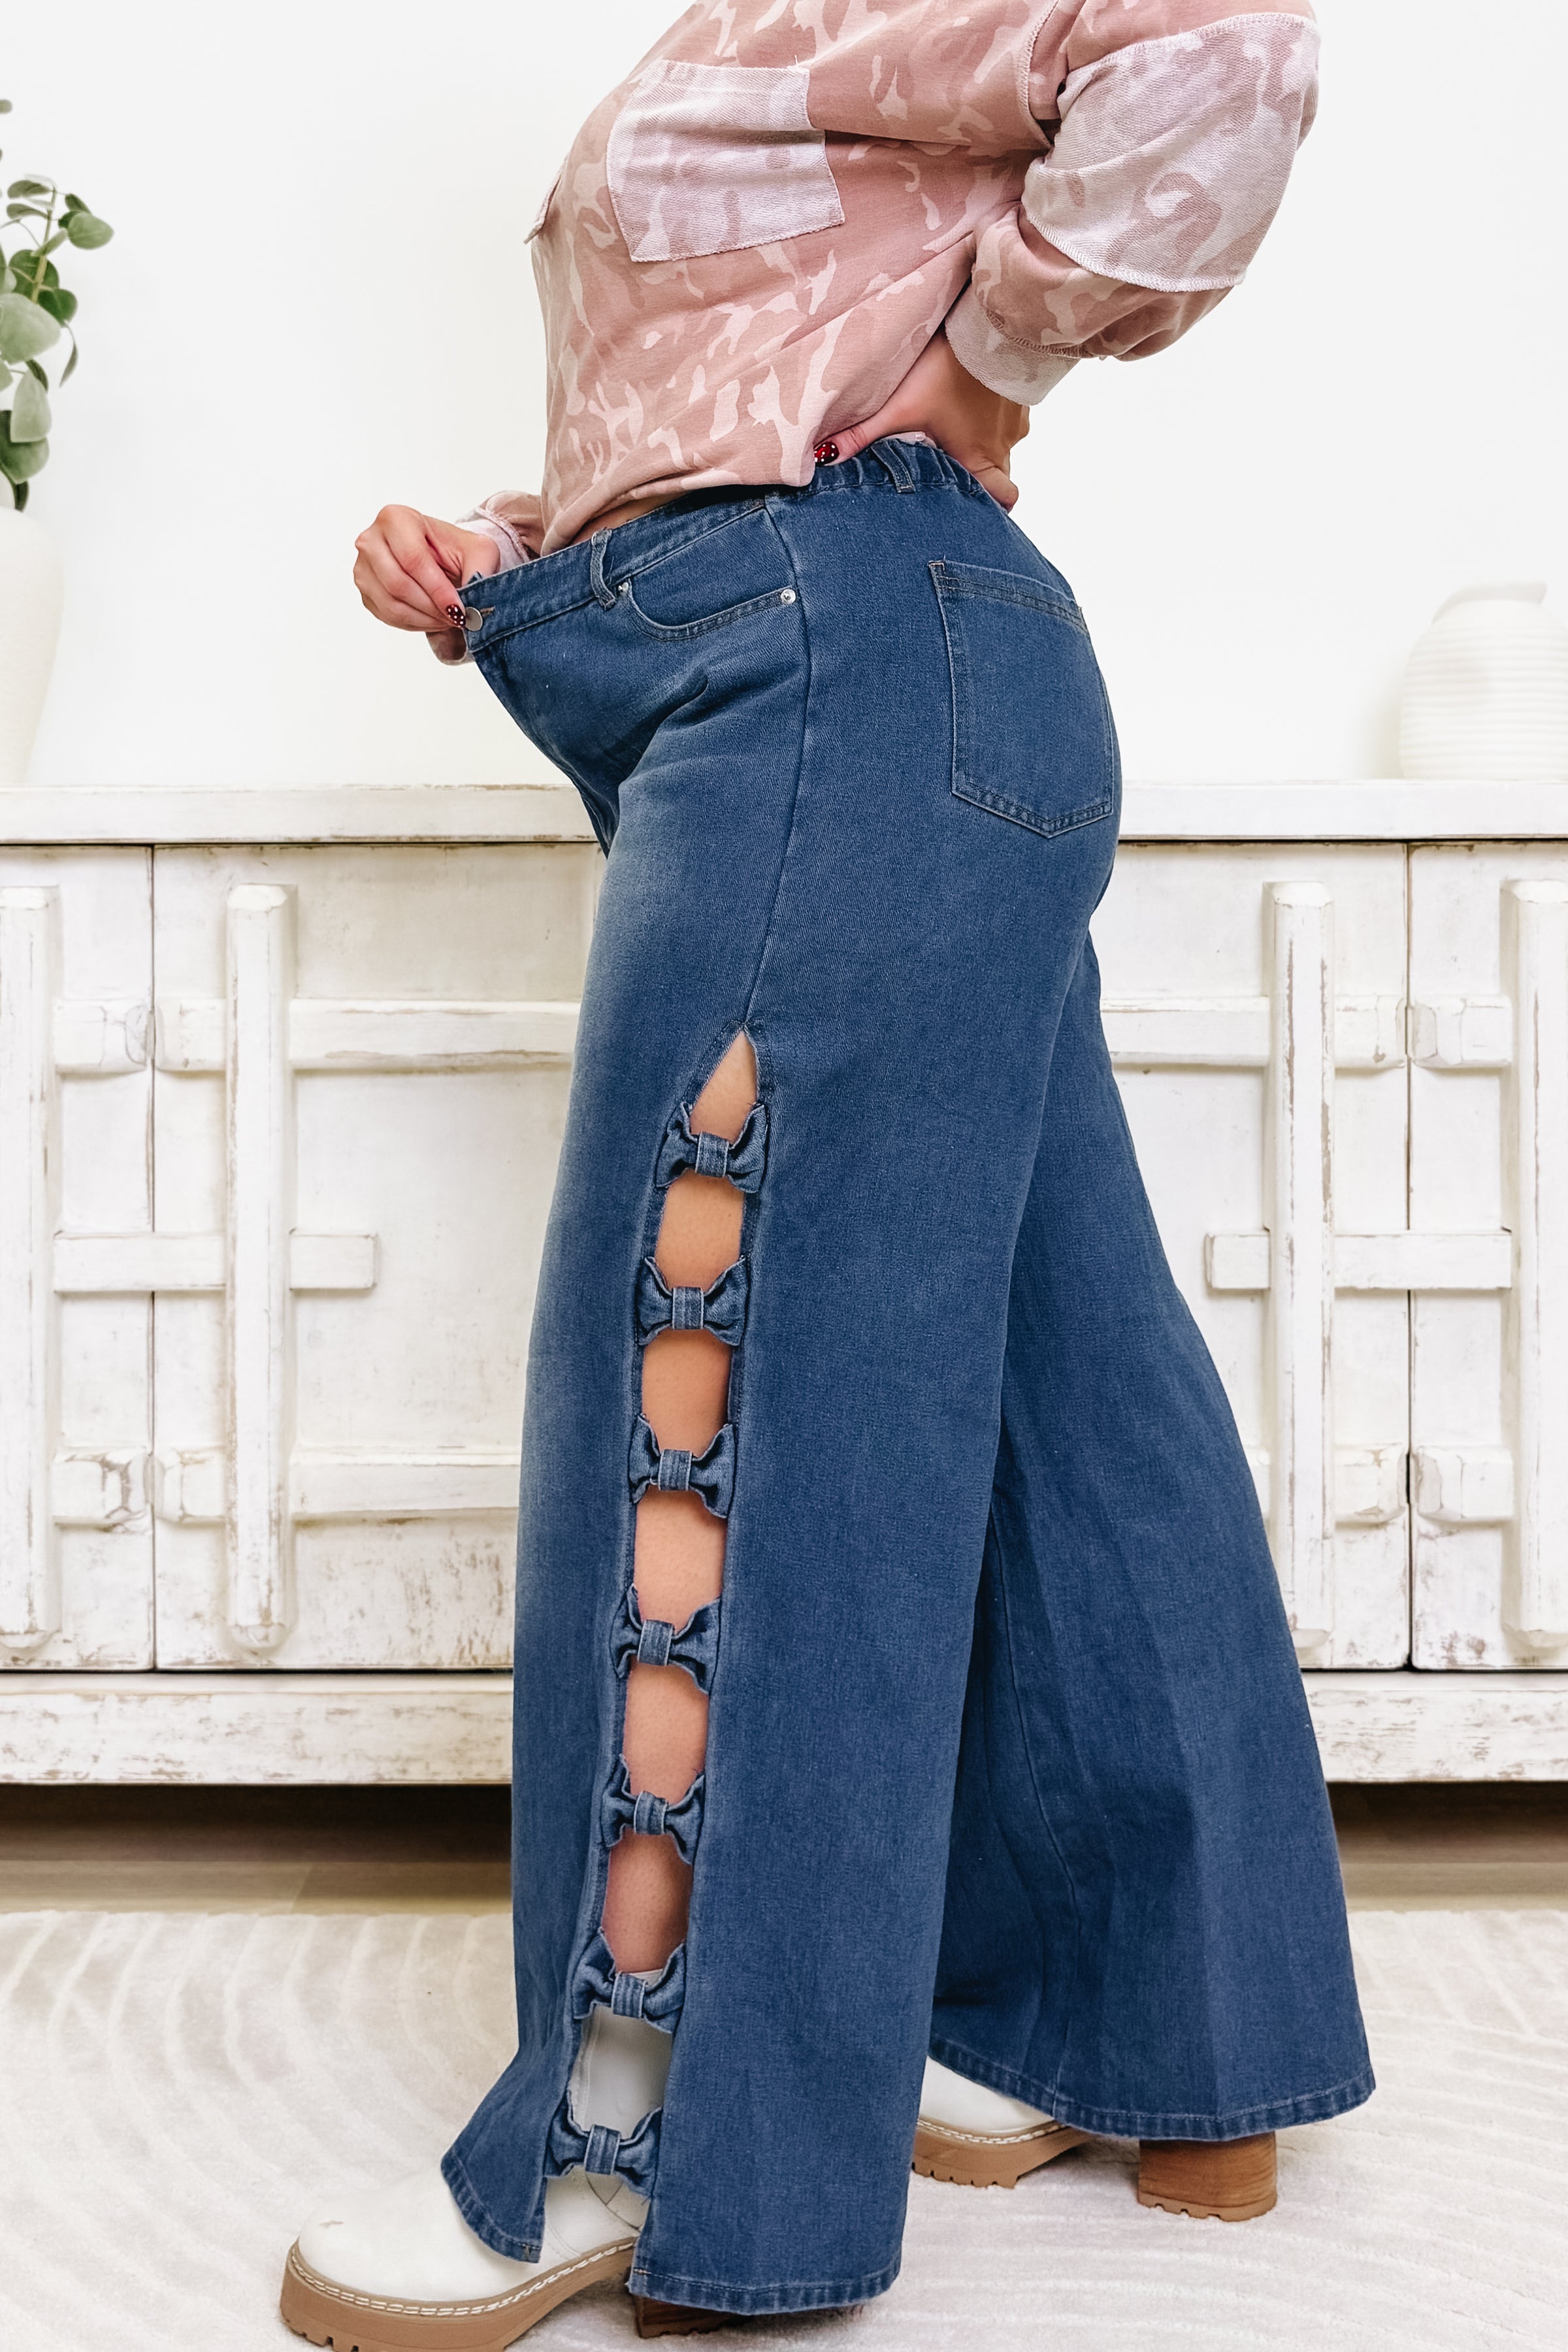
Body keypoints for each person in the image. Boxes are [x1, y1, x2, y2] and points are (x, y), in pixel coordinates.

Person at [284, 3, 1369, 2344]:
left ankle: (643, 2125)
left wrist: (986, 379)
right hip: (896, 683)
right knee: (1068, 1377)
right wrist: (526, 547)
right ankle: (1161, 2036)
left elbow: (1226, 39)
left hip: (834, 687)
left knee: (706, 1368)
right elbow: (758, 384)